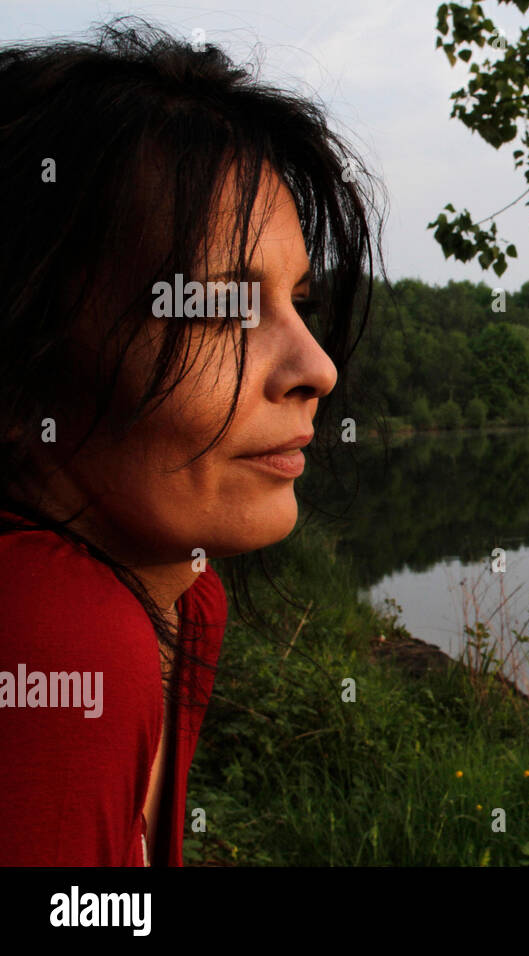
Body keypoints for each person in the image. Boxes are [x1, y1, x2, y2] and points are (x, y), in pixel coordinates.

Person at [0, 18, 382, 865]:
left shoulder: (186, 601)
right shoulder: (50, 630)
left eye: (299, 303)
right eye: (219, 307)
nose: (316, 367)